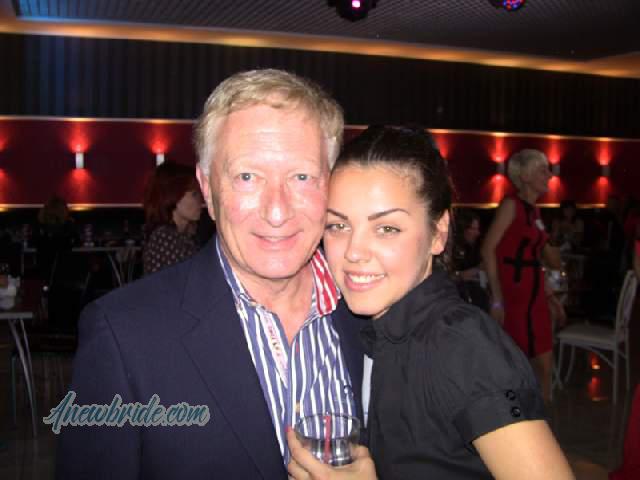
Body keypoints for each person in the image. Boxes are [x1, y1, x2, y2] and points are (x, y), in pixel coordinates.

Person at [56, 69, 366, 480]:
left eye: (302, 176)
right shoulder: (122, 336)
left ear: (330, 183)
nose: (277, 211)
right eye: (247, 177)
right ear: (207, 188)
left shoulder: (375, 314)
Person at [287, 126, 573, 480]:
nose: (354, 253)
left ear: (438, 233)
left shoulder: (463, 345)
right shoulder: (363, 328)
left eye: (387, 228)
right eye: (338, 226)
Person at [481, 149, 563, 403]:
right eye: (542, 170)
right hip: (515, 294)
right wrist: (497, 299)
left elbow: (542, 258)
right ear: (525, 176)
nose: (549, 176)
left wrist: (550, 296)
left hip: (534, 292)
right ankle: (519, 414)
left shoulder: (534, 210)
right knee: (517, 362)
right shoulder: (511, 205)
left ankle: (541, 413)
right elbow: (487, 249)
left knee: (545, 362)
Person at [142, 162, 203, 275]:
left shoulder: (182, 236)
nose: (201, 200)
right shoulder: (165, 238)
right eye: (194, 194)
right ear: (174, 196)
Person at [452, 210, 489, 311]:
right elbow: (447, 276)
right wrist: (460, 275)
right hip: (458, 302)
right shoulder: (452, 250)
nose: (477, 233)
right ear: (463, 229)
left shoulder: (476, 249)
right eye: (473, 229)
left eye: (478, 229)